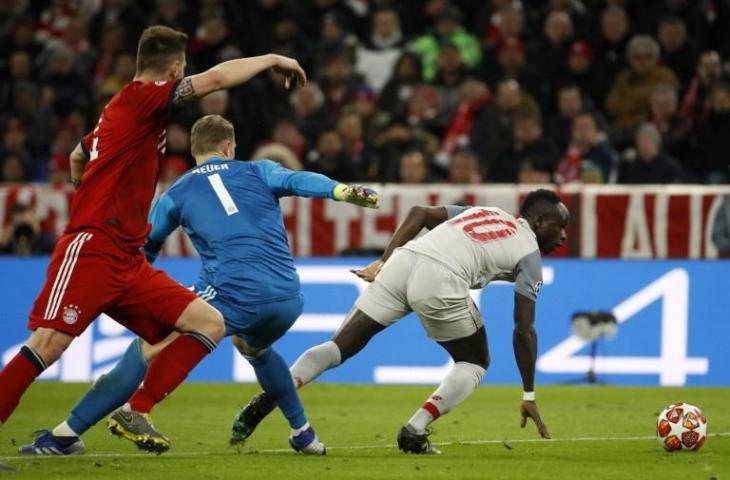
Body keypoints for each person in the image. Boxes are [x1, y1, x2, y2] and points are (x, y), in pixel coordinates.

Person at [0, 25, 309, 454]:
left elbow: (77, 155)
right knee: (48, 344)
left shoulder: (120, 112)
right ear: (175, 68)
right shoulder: (142, 99)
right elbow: (217, 78)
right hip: (93, 249)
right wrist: (272, 59)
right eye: (183, 70)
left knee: (208, 322)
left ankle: (130, 413)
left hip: (128, 260)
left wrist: (89, 192)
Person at [18, 114, 379, 456]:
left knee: (145, 347)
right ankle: (303, 433)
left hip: (232, 292)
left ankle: (71, 434)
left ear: (195, 152)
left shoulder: (176, 193)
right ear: (228, 147)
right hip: (287, 298)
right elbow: (298, 180)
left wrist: (129, 296)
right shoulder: (259, 170)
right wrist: (340, 190)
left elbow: (145, 251)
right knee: (255, 349)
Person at [235, 189, 568, 454]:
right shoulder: (530, 255)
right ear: (539, 221)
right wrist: (529, 394)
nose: (564, 236)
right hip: (441, 278)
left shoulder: (487, 213)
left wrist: (383, 261)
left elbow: (419, 213)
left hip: (404, 260)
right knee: (475, 361)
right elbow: (524, 328)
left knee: (339, 346)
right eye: (560, 225)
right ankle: (415, 430)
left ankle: (276, 390)